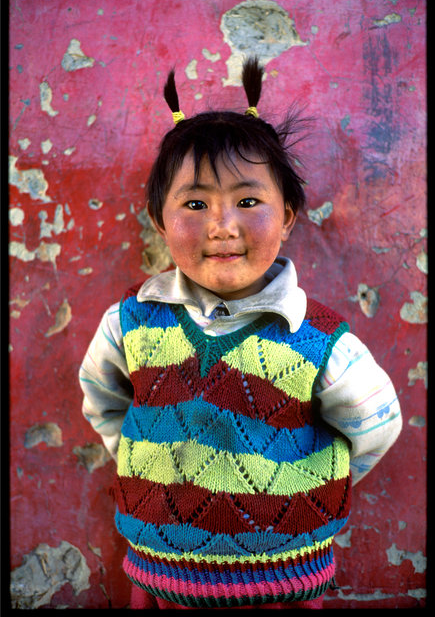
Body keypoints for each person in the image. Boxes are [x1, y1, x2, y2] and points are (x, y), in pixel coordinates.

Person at [79, 58, 402, 610]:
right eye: (195, 203)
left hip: (281, 582)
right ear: (159, 220)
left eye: (248, 202)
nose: (222, 225)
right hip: (161, 579)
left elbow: (376, 427)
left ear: (288, 216)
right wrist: (145, 463)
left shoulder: (317, 340)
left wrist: (302, 490)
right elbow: (104, 403)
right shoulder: (129, 323)